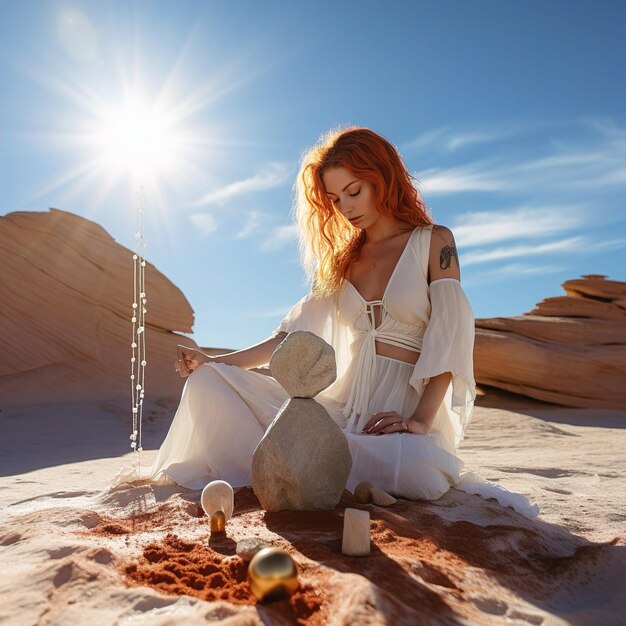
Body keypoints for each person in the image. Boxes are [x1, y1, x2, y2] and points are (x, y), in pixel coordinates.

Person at [121, 127, 538, 517]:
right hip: (342, 412)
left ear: (383, 178)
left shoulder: (434, 242)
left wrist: (420, 422)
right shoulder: (345, 263)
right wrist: (216, 362)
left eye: (354, 191)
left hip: (401, 416)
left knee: (415, 471)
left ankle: (315, 465)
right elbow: (288, 339)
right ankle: (312, 465)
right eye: (336, 199)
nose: (346, 207)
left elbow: (450, 335)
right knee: (210, 384)